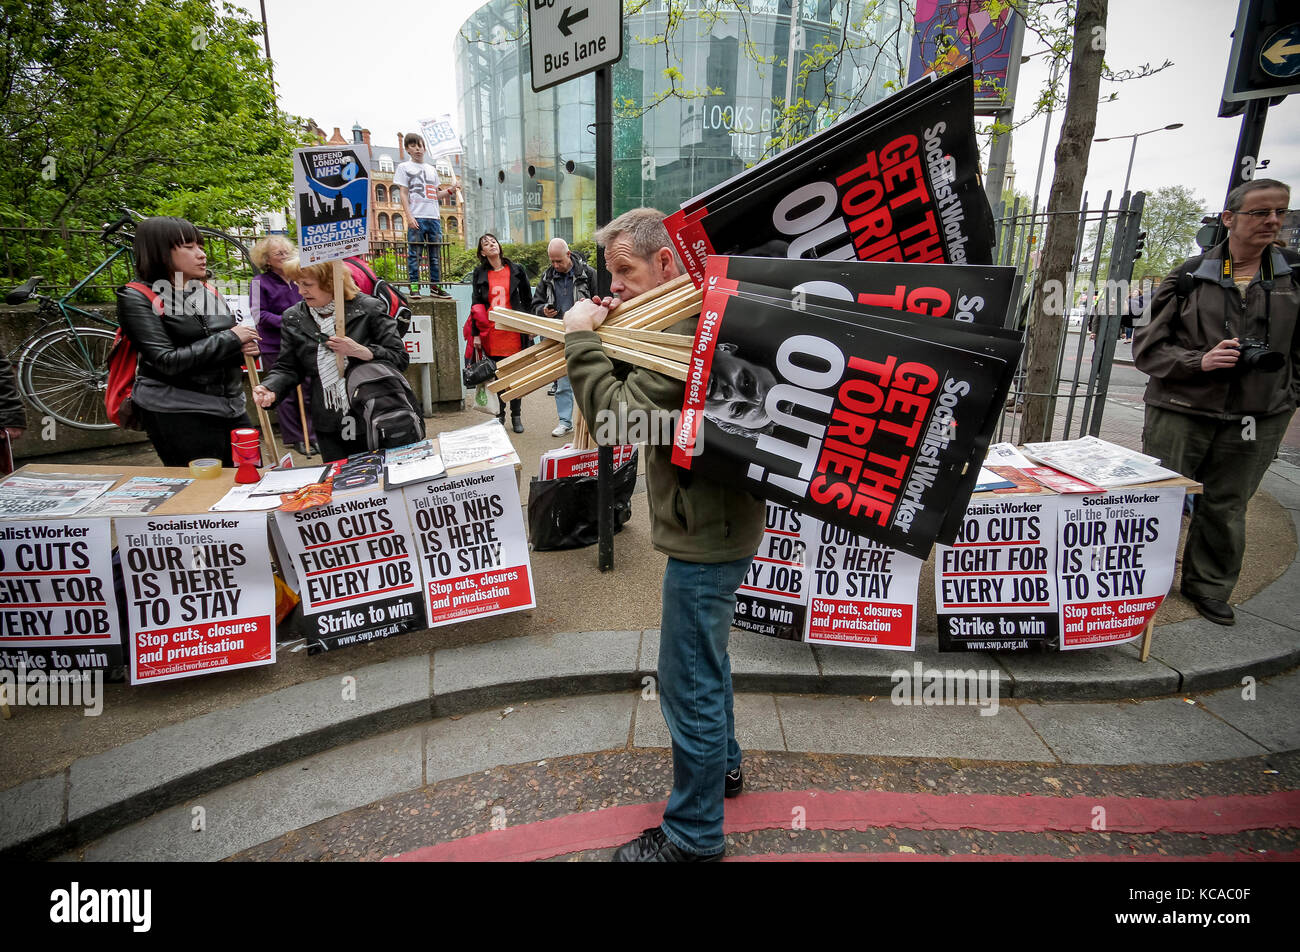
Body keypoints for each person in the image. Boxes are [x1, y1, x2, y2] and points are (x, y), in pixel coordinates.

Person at [562, 209, 765, 861]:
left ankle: (694, 835)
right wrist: (613, 332)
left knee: (689, 682)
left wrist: (580, 340)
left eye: (627, 270)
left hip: (706, 537)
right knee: (709, 662)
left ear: (668, 263)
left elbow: (622, 422)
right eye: (611, 271)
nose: (615, 284)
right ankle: (726, 767)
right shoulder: (683, 317)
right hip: (717, 523)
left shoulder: (684, 331)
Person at [1133, 178, 1300, 627]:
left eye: (1279, 212)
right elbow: (1147, 348)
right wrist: (1199, 361)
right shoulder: (1188, 276)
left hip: (1258, 415)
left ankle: (1209, 587)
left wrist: (1286, 393)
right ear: (1229, 219)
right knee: (1159, 500)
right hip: (1182, 408)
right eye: (1260, 212)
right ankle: (1141, 585)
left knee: (1228, 504)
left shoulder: (1292, 278)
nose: (1272, 221)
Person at [116, 216, 259, 466]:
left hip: (231, 406)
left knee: (249, 476)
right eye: (189, 247)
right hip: (177, 411)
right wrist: (231, 337)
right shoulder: (136, 297)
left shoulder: (207, 290)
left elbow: (219, 347)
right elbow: (166, 361)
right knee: (206, 491)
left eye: (200, 246)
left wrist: (245, 350)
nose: (201, 254)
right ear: (160, 251)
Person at [252, 259, 409, 463]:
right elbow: (288, 366)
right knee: (337, 481)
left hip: (374, 413)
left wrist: (362, 352)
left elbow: (399, 357)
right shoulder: (295, 317)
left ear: (331, 282)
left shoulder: (369, 308)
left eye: (307, 284)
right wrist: (270, 387)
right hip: (328, 418)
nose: (300, 291)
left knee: (377, 481)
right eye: (297, 284)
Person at [250, 236, 315, 456]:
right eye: (278, 253)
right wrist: (288, 321)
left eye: (286, 251)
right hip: (274, 343)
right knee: (284, 394)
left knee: (308, 389)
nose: (283, 256)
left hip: (303, 340)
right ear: (266, 259)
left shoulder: (299, 277)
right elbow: (259, 314)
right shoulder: (260, 282)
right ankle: (295, 437)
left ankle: (311, 435)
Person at [531, 238, 596, 437]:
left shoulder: (589, 274)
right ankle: (565, 421)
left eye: (558, 261)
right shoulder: (546, 277)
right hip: (556, 335)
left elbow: (601, 299)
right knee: (562, 381)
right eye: (552, 261)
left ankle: (590, 422)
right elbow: (535, 305)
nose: (555, 265)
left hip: (584, 334)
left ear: (568, 255)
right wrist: (543, 310)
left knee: (589, 380)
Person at [471, 233, 531, 433]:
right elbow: (476, 304)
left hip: (514, 332)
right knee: (496, 376)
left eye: (493, 241)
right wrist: (476, 334)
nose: (491, 245)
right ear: (482, 252)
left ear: (499, 246)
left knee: (514, 377)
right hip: (491, 333)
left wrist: (530, 327)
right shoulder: (479, 273)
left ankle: (516, 415)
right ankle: (500, 415)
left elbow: (527, 300)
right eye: (486, 244)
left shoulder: (516, 270)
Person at [394, 132, 454, 299]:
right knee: (415, 254)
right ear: (408, 149)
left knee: (435, 255)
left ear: (425, 148)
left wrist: (451, 190)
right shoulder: (404, 168)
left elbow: (435, 194)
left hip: (434, 217)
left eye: (420, 145)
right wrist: (409, 216)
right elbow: (404, 193)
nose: (418, 149)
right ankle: (414, 287)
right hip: (417, 217)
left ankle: (435, 286)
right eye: (413, 146)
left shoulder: (431, 170)